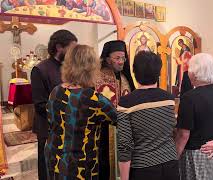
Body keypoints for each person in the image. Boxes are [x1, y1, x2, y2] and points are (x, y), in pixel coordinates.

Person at [45, 44, 117, 179]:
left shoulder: (55, 91)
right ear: (91, 68)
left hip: (54, 158)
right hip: (79, 166)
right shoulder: (94, 99)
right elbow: (120, 118)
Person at [117, 51, 179, 180]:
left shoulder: (126, 103)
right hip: (170, 165)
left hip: (143, 168)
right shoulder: (169, 99)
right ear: (159, 73)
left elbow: (124, 145)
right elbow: (172, 131)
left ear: (134, 72)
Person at [31, 29, 77, 180]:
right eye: (71, 48)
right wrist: (66, 112)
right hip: (48, 129)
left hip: (68, 128)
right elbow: (40, 104)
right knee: (48, 170)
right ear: (59, 47)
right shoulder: (40, 70)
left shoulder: (70, 69)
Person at [175, 53, 213, 180]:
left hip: (197, 156)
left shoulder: (189, 98)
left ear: (194, 72)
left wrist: (174, 158)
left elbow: (183, 135)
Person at [96, 40, 135, 180]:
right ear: (107, 59)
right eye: (117, 58)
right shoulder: (97, 77)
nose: (121, 62)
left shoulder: (125, 78)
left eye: (123, 58)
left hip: (123, 130)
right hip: (103, 131)